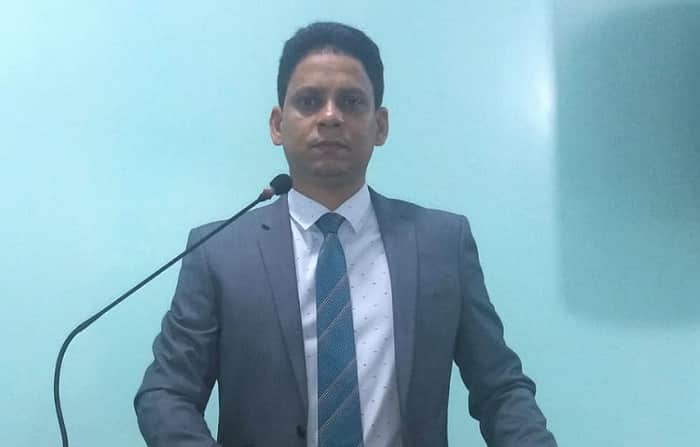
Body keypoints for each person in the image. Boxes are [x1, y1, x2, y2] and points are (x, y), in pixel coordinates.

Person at [135, 21, 557, 447]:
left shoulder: (442, 243)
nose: (330, 117)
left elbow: (500, 390)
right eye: (310, 101)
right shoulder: (219, 253)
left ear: (380, 125)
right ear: (278, 125)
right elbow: (166, 393)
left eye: (351, 102)